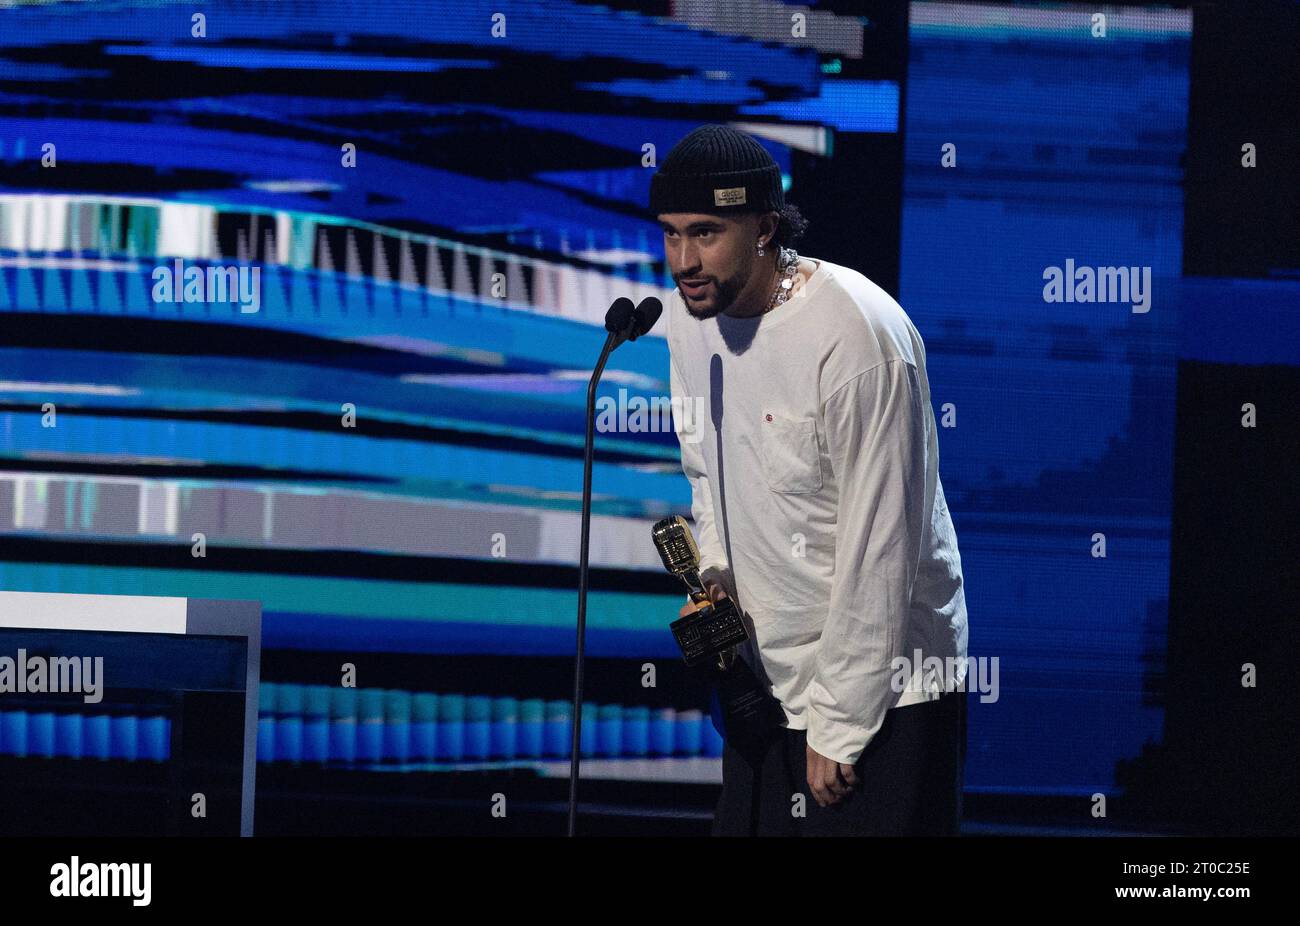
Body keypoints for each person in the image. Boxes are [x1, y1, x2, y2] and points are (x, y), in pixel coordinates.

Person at [650, 125, 970, 836]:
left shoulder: (857, 334)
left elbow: (882, 540)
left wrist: (841, 719)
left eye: (705, 233)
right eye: (670, 235)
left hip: (883, 696)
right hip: (762, 686)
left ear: (764, 229)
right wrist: (717, 581)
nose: (684, 260)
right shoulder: (686, 319)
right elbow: (706, 466)